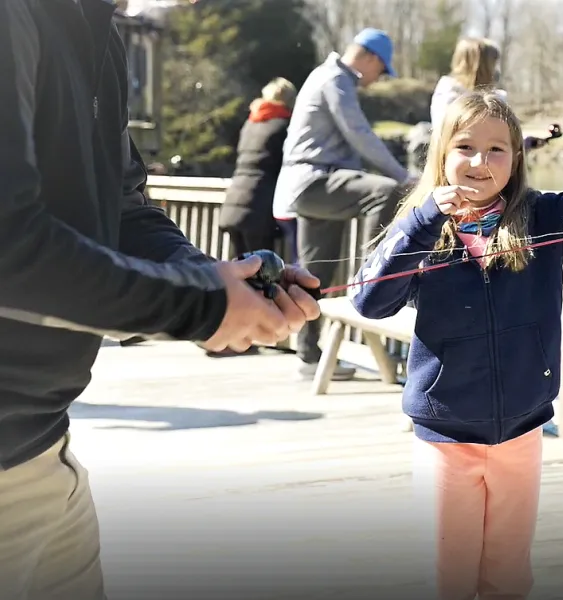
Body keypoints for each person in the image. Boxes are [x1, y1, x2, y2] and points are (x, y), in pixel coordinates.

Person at [0, 2, 322, 598]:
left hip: (43, 450)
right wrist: (201, 305)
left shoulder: (99, 30)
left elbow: (123, 208)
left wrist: (212, 278)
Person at [349, 82, 563, 600]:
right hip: (445, 437)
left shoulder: (546, 218)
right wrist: (422, 221)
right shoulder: (421, 229)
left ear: (515, 158)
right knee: (447, 576)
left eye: (496, 149)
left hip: (522, 433)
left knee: (508, 575)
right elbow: (370, 303)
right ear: (442, 153)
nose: (479, 160)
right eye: (464, 147)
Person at [273, 27, 414, 381]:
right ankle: (371, 274)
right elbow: (359, 134)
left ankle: (308, 356)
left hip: (306, 186)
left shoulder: (324, 76)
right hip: (317, 180)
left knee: (314, 272)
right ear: (368, 57)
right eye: (381, 70)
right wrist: (404, 177)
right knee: (384, 191)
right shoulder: (336, 79)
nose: (377, 79)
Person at [220, 77, 298, 260]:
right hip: (259, 209)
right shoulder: (284, 127)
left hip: (233, 206)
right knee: (264, 274)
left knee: (241, 273)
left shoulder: (250, 124)